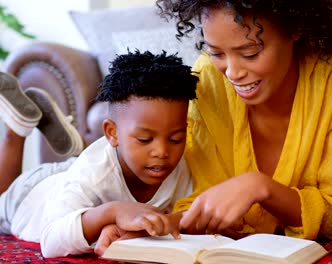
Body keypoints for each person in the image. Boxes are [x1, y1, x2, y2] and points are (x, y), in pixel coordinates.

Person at [156, 0, 332, 240]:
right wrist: (158, 226)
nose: (232, 72)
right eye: (216, 53)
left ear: (295, 28)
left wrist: (261, 188)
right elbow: (204, 198)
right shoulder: (209, 79)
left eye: (250, 53)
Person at [0, 50, 198, 258]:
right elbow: (50, 242)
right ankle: (16, 131)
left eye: (176, 139)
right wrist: (113, 211)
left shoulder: (180, 166)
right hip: (31, 196)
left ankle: (73, 144)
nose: (162, 152)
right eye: (145, 140)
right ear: (112, 133)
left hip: (76, 174)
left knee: (85, 172)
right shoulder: (93, 173)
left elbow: (184, 215)